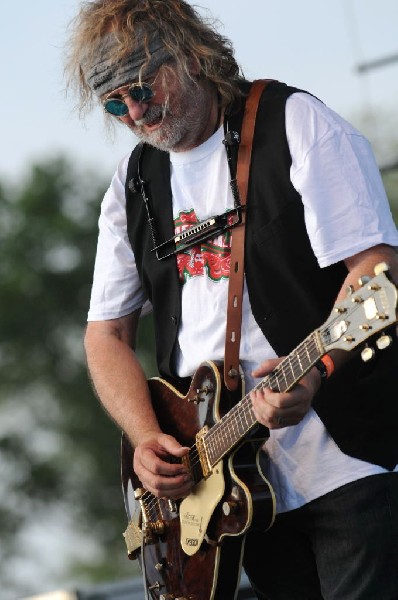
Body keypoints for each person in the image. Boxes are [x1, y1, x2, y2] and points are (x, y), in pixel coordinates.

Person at [65, 1, 398, 598]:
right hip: (234, 497)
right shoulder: (133, 185)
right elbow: (105, 336)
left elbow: (377, 273)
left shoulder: (295, 123)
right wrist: (146, 438)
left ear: (191, 54)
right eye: (115, 104)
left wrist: (317, 371)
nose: (135, 112)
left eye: (141, 88)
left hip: (349, 462)